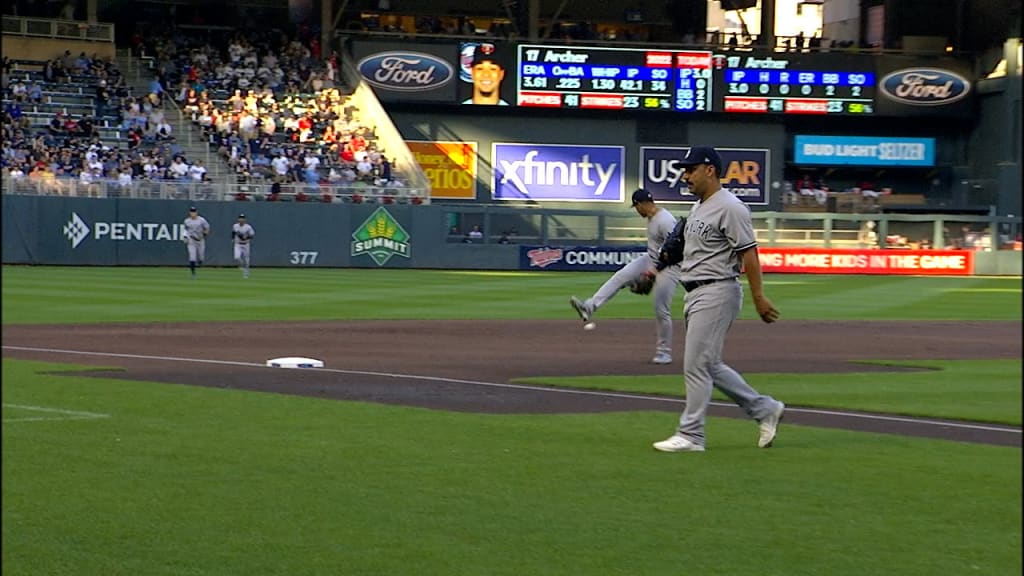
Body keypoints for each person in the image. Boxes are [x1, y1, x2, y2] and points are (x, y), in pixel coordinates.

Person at [649, 146, 784, 452]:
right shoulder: (699, 207)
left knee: (695, 364)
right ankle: (765, 409)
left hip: (718, 290)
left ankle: (691, 435)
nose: (686, 176)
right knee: (709, 364)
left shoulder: (730, 207)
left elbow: (749, 253)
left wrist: (759, 297)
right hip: (696, 292)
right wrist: (660, 264)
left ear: (709, 170)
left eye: (691, 169)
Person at [569, 188, 683, 364]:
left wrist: (655, 271)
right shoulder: (652, 217)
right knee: (620, 277)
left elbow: (677, 250)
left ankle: (664, 352)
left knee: (661, 309)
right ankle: (590, 306)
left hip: (670, 267)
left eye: (636, 207)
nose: (636, 211)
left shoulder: (665, 220)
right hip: (651, 259)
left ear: (641, 204)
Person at [182, 206, 210, 278]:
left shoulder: (201, 220)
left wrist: (204, 234)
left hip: (200, 240)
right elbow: (185, 230)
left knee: (201, 257)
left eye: (194, 212)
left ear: (196, 212)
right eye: (191, 212)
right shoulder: (187, 221)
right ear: (189, 213)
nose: (193, 213)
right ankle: (193, 273)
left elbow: (207, 228)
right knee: (192, 257)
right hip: (191, 240)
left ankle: (200, 261)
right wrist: (185, 237)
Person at [231, 213, 255, 278]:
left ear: (245, 220)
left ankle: (246, 273)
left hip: (246, 244)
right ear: (238, 219)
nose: (241, 219)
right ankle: (241, 265)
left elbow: (252, 235)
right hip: (238, 244)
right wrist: (233, 238)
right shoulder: (235, 226)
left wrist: (246, 237)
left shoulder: (248, 227)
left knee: (247, 260)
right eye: (240, 218)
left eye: (242, 218)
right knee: (237, 257)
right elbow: (233, 232)